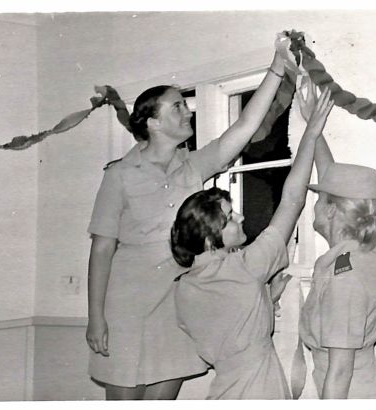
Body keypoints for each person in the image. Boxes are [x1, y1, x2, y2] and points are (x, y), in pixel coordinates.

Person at [85, 38, 290, 400]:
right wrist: (96, 317)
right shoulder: (119, 175)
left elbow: (242, 129)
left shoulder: (193, 167)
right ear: (153, 122)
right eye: (178, 107)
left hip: (179, 301)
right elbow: (102, 249)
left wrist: (276, 67)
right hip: (127, 304)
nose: (188, 112)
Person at [170, 88, 334, 399]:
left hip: (223, 389)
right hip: (258, 387)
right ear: (210, 238)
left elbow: (227, 322)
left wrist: (262, 299)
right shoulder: (245, 267)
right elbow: (292, 200)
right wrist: (311, 132)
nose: (242, 218)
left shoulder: (183, 286)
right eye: (230, 218)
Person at [295, 77, 376, 399]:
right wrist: (314, 124)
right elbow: (333, 177)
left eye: (320, 199)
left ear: (334, 212)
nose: (315, 205)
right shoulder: (365, 250)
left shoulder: (344, 275)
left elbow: (339, 370)